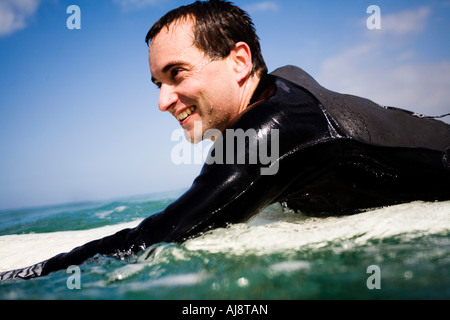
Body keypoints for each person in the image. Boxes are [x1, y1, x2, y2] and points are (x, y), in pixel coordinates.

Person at [1, 0, 449, 281]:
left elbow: (162, 234)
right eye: (156, 83)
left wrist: (27, 275)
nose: (162, 101)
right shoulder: (278, 87)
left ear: (239, 61)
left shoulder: (268, 136)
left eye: (176, 75)